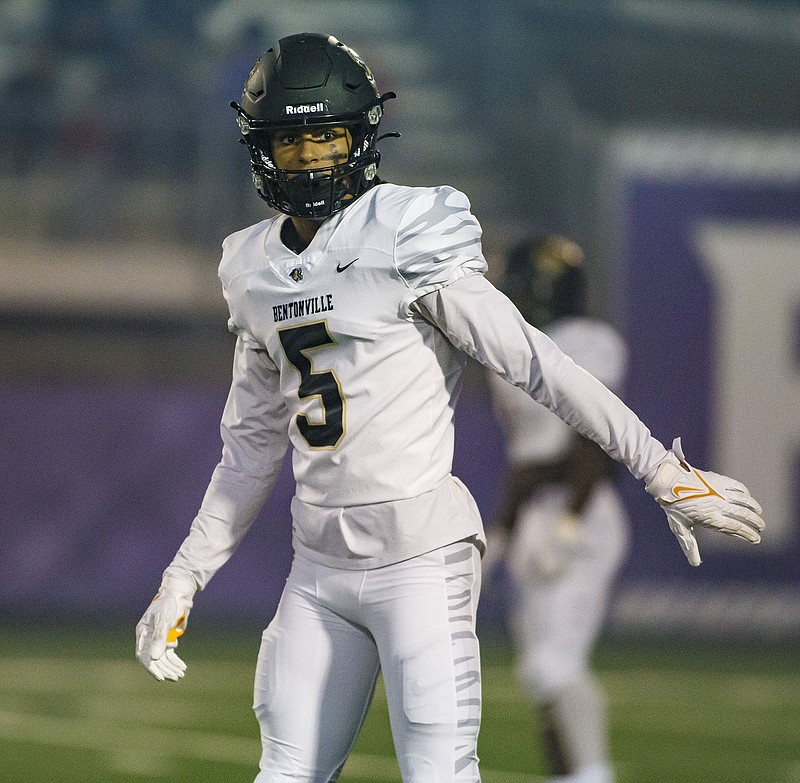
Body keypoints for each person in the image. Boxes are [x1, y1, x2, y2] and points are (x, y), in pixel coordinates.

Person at [134, 32, 764, 783]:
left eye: (325, 139)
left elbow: (537, 361)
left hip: (419, 562)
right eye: (291, 143)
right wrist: (185, 573)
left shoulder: (403, 233)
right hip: (317, 568)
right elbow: (247, 450)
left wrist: (662, 471)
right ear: (261, 148)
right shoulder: (252, 269)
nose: (308, 160)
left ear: (361, 138)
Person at [485, 235, 629, 783]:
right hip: (538, 519)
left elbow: (593, 442)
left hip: (580, 514)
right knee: (537, 676)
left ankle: (593, 775)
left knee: (555, 666)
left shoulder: (587, 341)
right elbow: (527, 462)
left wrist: (570, 523)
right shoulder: (508, 355)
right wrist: (500, 536)